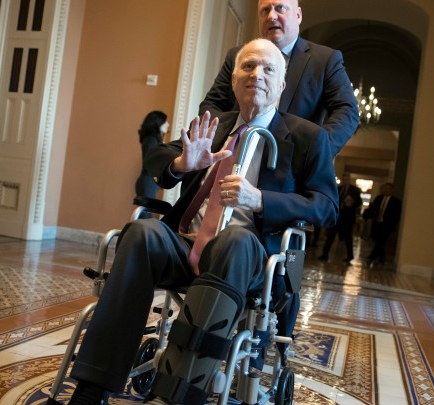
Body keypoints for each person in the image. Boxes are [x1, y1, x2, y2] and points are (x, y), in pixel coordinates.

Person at [31, 38, 338, 405]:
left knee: (235, 241)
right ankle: (87, 399)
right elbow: (157, 158)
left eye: (267, 69)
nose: (256, 76)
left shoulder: (307, 137)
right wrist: (180, 163)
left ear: (281, 85)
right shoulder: (214, 125)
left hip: (245, 257)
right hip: (187, 245)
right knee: (141, 232)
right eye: (247, 67)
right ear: (233, 78)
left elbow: (326, 207)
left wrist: (261, 200)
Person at [200, 0, 359, 157]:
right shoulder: (238, 56)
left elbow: (347, 111)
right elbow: (212, 104)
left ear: (298, 15)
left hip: (291, 165)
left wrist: (317, 151)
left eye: (280, 9)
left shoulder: (325, 60)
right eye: (265, 10)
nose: (271, 16)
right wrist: (224, 139)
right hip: (235, 155)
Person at [317, 172, 362, 263]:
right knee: (330, 237)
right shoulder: (338, 189)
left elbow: (359, 202)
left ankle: (350, 256)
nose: (345, 180)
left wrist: (352, 202)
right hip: (337, 217)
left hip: (347, 218)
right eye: (344, 178)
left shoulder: (355, 190)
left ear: (349, 179)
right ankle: (325, 255)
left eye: (347, 178)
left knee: (348, 238)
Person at [363, 183, 401, 265]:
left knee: (381, 241)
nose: (386, 190)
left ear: (392, 190)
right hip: (377, 224)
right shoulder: (379, 198)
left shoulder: (396, 202)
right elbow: (373, 208)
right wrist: (366, 215)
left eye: (388, 189)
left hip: (387, 226)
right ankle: (381, 259)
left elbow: (396, 215)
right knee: (379, 242)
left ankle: (371, 257)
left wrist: (392, 226)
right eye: (385, 188)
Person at [134, 111, 169, 201]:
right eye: (165, 121)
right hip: (147, 183)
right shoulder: (151, 140)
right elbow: (151, 162)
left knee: (146, 214)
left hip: (149, 183)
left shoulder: (153, 140)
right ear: (158, 122)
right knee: (145, 214)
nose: (168, 124)